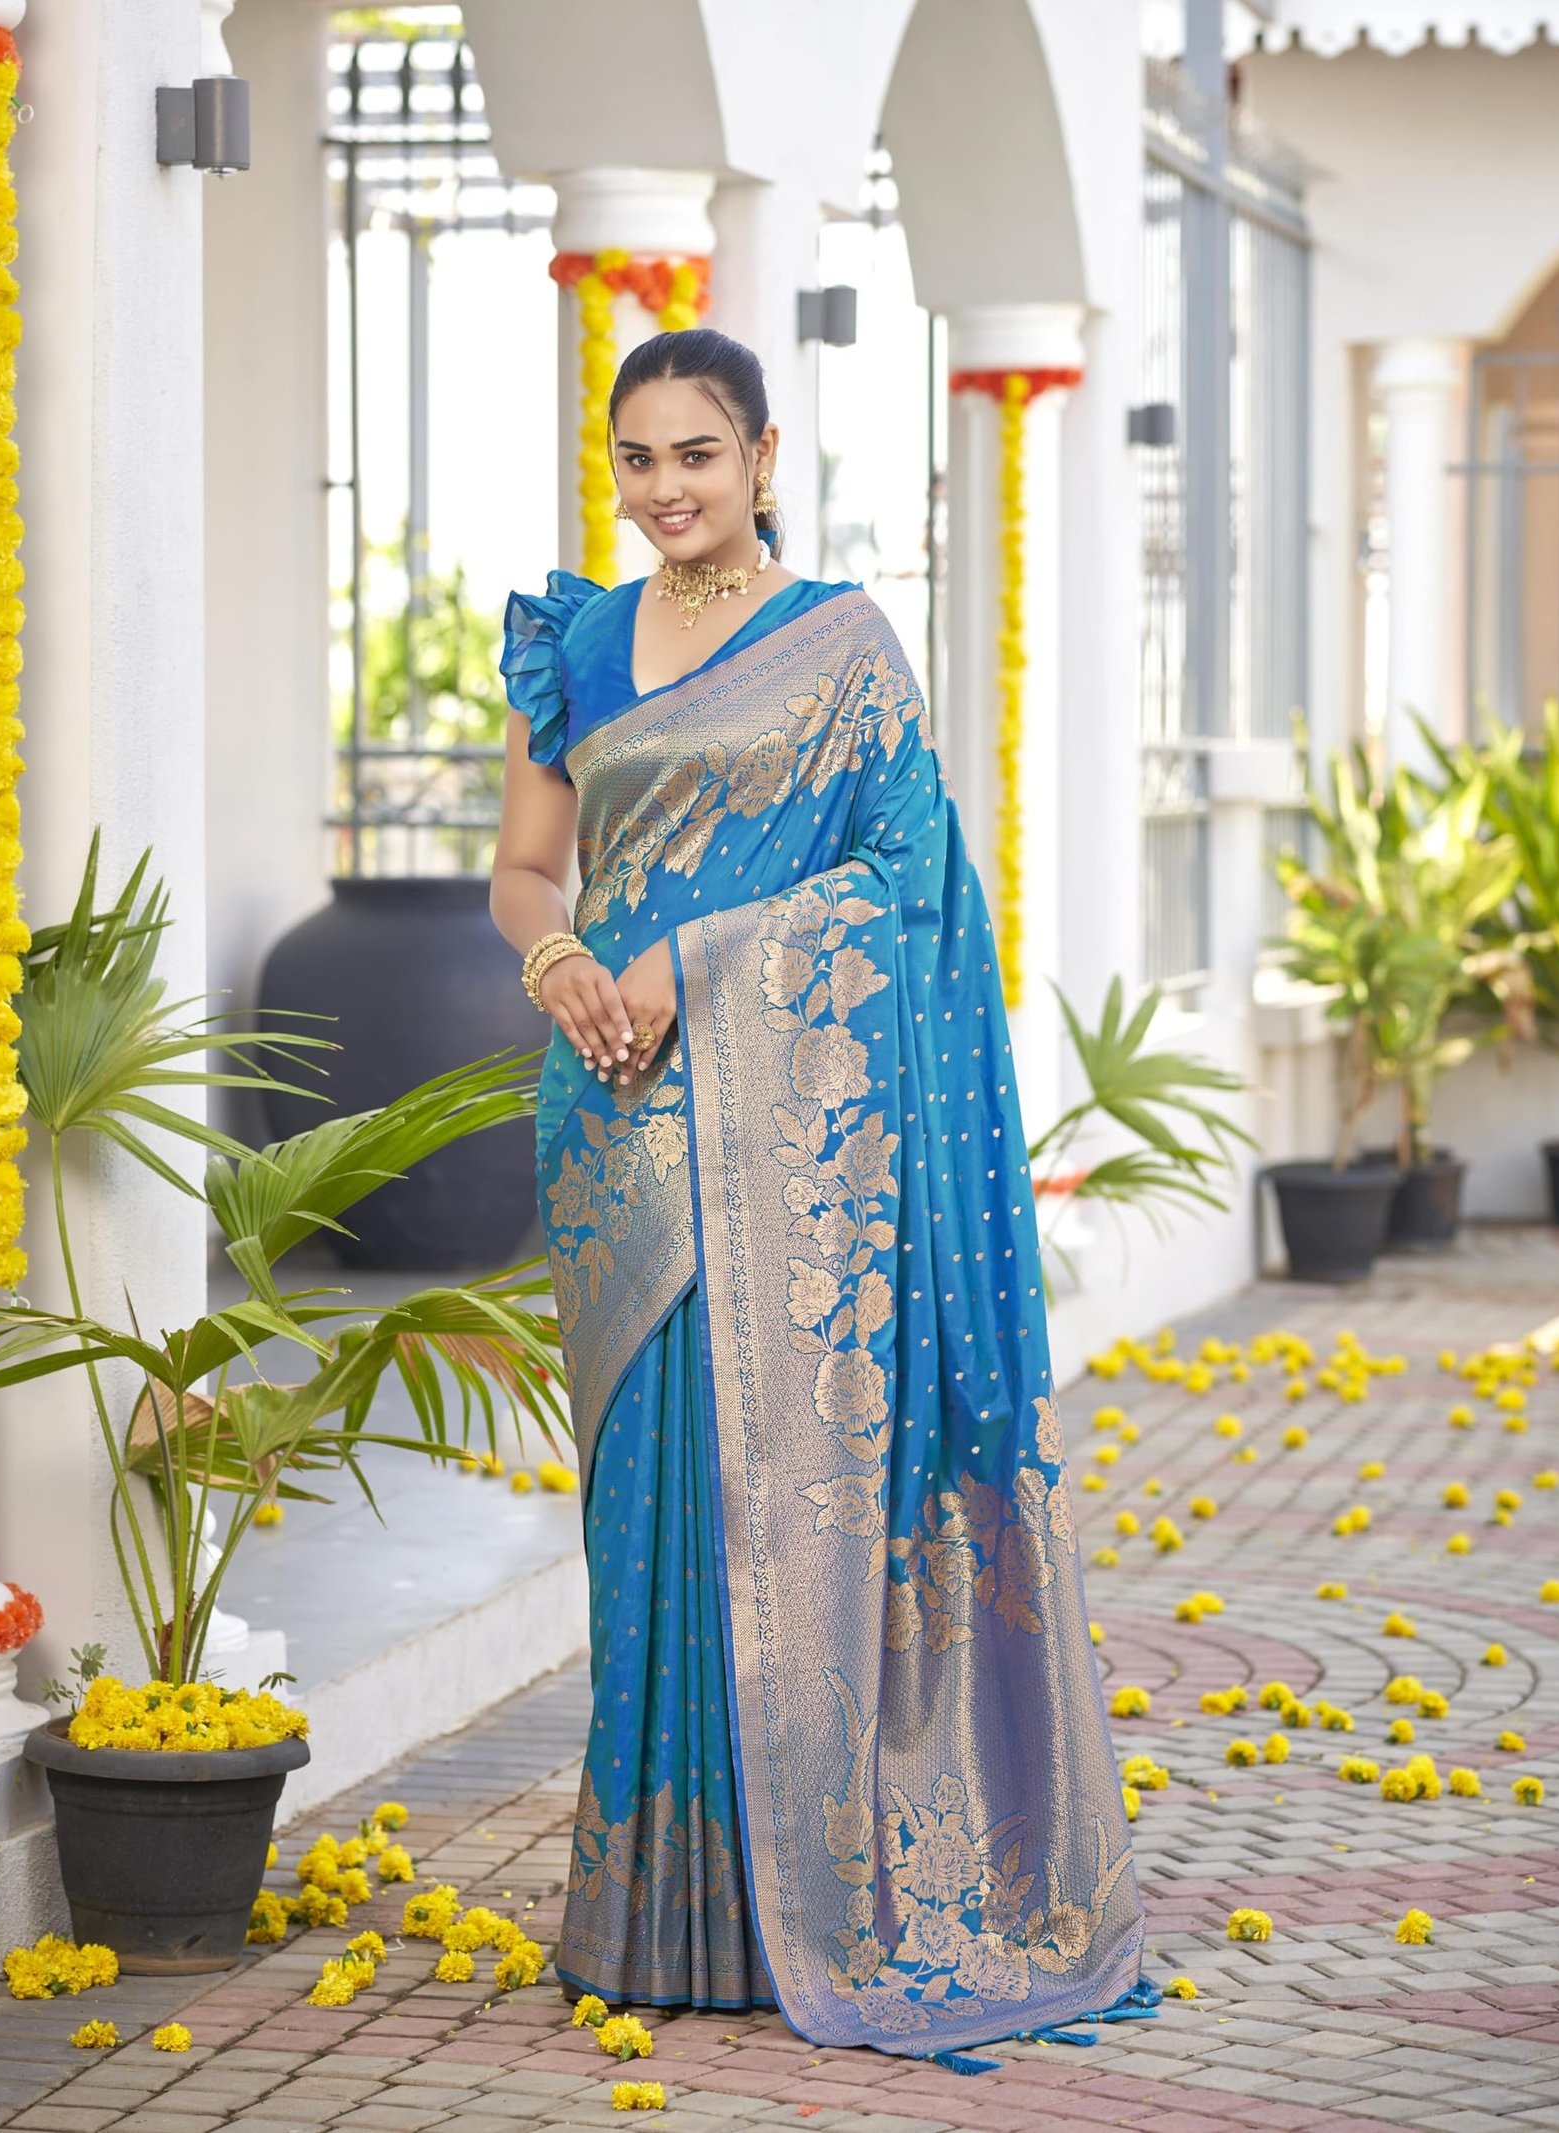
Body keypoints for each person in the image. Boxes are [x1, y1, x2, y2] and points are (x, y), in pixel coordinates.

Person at [488, 327, 1159, 2067]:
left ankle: (808, 1895)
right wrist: (562, 959)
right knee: (648, 1509)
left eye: (698, 454)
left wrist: (699, 960)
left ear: (764, 457)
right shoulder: (571, 641)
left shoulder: (845, 648)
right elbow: (526, 867)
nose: (667, 489)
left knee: (786, 1492)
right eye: (639, 458)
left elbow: (909, 879)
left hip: (801, 1139)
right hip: (617, 1129)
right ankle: (661, 1913)